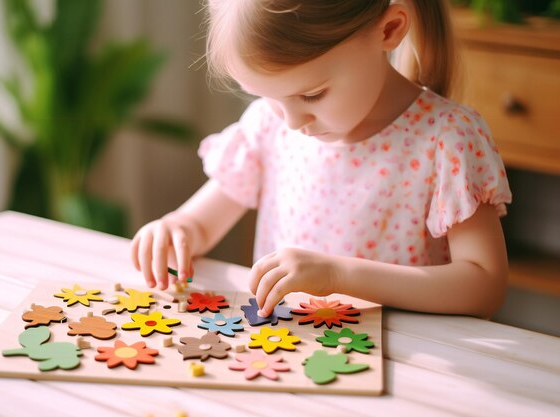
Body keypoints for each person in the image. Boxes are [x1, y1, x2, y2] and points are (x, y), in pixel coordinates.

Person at [131, 0, 512, 319]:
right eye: (266, 96)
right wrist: (174, 228)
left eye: (312, 95)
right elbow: (199, 224)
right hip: (288, 355)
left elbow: (482, 286)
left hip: (402, 365)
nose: (293, 122)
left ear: (389, 30)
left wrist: (338, 275)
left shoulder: (446, 137)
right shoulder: (269, 125)